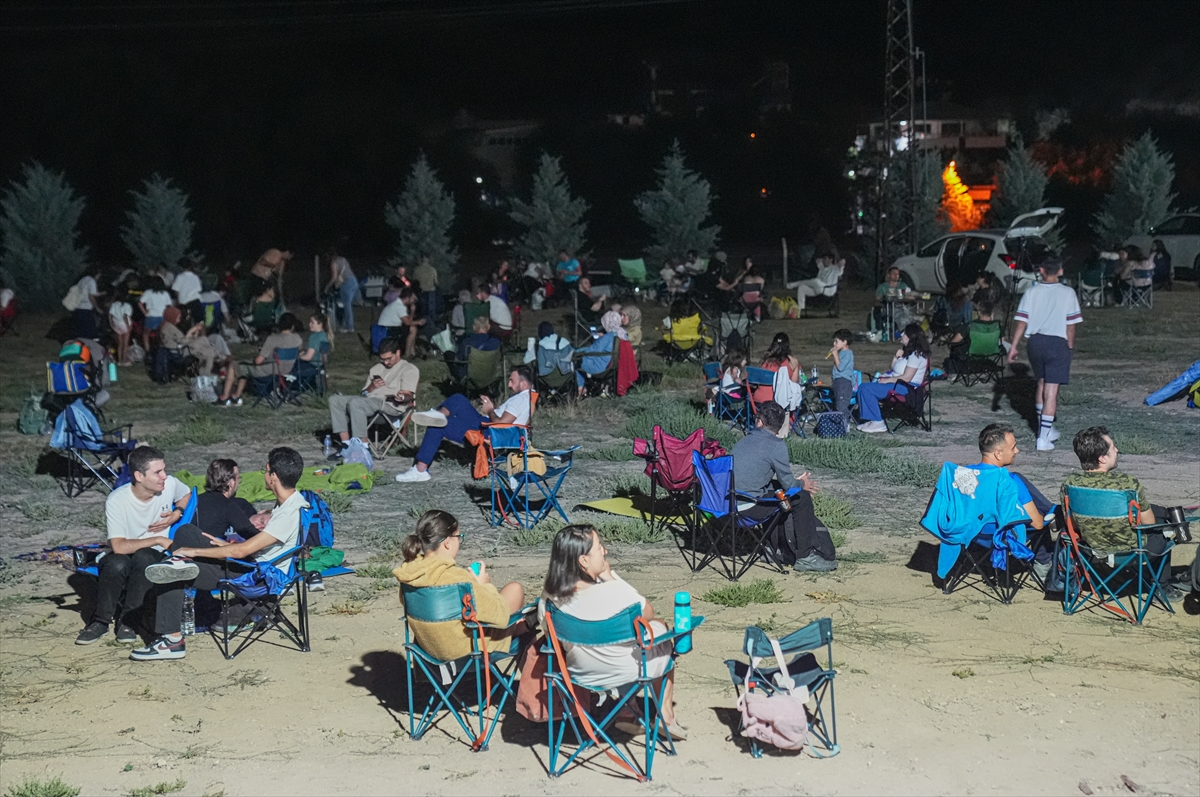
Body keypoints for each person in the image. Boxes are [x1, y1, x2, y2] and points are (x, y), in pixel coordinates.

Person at [139, 447, 310, 661]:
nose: (264, 475)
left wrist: (193, 551)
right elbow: (263, 547)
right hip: (253, 564)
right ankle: (178, 565)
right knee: (187, 532)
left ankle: (172, 641)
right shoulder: (290, 504)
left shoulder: (289, 513)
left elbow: (241, 550)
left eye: (265, 471)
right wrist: (221, 545)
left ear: (273, 476)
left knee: (172, 571)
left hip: (255, 576)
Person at [539, 524, 687, 740]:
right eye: (599, 547)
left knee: (619, 643)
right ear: (584, 561)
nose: (605, 551)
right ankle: (666, 715)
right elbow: (648, 612)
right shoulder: (615, 592)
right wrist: (611, 579)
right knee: (661, 632)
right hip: (628, 671)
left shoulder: (549, 600)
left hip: (578, 672)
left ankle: (628, 710)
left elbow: (552, 640)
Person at [74, 446, 192, 646]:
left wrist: (177, 512)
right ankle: (100, 621)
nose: (164, 476)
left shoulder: (169, 484)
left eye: (164, 470)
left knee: (145, 557)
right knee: (117, 564)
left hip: (150, 554)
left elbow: (186, 493)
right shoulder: (118, 500)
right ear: (139, 476)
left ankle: (128, 621)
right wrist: (157, 539)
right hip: (124, 551)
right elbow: (119, 547)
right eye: (158, 472)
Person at [1060, 427, 1179, 600]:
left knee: (1157, 512)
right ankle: (1162, 586)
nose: (1117, 450)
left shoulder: (1070, 484)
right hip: (1130, 551)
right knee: (1164, 529)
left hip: (1090, 548)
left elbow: (1071, 523)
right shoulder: (1127, 484)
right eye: (1113, 447)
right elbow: (1149, 522)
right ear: (1102, 458)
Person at [393, 510, 527, 661]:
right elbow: (501, 618)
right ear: (447, 542)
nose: (459, 542)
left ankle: (522, 626)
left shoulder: (409, 574)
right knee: (515, 590)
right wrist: (484, 585)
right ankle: (523, 629)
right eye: (458, 537)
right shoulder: (458, 579)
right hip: (467, 654)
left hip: (429, 651)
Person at [732, 401, 836, 572]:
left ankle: (771, 548)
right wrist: (801, 484)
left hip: (726, 505)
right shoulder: (776, 445)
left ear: (759, 422)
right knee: (801, 498)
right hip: (746, 509)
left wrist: (794, 483)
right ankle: (805, 557)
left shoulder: (743, 441)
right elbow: (789, 484)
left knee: (776, 488)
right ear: (780, 426)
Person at [396, 365, 534, 483]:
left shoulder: (521, 399)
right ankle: (439, 414)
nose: (509, 384)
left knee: (437, 425)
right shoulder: (527, 397)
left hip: (491, 431)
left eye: (512, 381)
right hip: (487, 424)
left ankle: (420, 470)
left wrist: (490, 409)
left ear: (523, 384)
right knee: (458, 399)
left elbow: (501, 424)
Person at [1006, 257, 1082, 451]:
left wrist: (1014, 346)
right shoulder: (1068, 293)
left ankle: (1045, 429)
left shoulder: (1031, 292)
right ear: (1060, 271)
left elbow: (1022, 322)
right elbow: (1071, 326)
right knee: (1052, 390)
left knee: (1041, 382)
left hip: (1035, 343)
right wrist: (1069, 347)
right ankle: (1043, 438)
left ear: (1041, 270)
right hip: (1057, 343)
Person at [328, 338, 419, 455]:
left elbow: (408, 396)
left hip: (389, 406)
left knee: (356, 403)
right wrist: (371, 386)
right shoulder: (376, 369)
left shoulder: (409, 369)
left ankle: (363, 447)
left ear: (398, 352)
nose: (386, 362)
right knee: (335, 400)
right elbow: (364, 394)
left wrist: (401, 397)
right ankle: (346, 444)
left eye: (389, 359)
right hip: (369, 403)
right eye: (383, 359)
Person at [216, 312, 304, 406]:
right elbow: (299, 353)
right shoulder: (297, 338)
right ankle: (236, 397)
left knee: (234, 365)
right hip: (286, 370)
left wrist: (257, 355)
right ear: (293, 326)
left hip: (268, 371)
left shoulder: (273, 339)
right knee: (243, 367)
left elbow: (258, 361)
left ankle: (225, 397)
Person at [856, 323, 930, 434]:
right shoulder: (908, 352)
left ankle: (878, 422)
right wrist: (896, 357)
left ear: (911, 337)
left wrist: (887, 380)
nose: (901, 334)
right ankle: (872, 419)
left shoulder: (916, 355)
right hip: (898, 384)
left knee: (866, 388)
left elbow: (907, 378)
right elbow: (894, 369)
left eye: (904, 333)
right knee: (865, 387)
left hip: (908, 388)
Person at [193, 459, 260, 541]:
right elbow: (251, 534)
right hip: (208, 546)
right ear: (231, 482)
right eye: (238, 479)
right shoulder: (228, 505)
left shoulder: (196, 499)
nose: (238, 483)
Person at [159, 307, 227, 375]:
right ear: (171, 317)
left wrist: (194, 335)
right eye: (177, 318)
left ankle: (216, 358)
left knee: (204, 344)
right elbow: (182, 341)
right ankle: (217, 359)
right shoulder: (169, 328)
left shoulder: (166, 326)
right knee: (206, 346)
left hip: (181, 349)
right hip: (183, 351)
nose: (179, 320)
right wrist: (191, 331)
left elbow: (180, 340)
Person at [757, 332, 802, 426]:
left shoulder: (766, 360)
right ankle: (787, 423)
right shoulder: (792, 362)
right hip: (778, 400)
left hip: (759, 398)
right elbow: (794, 385)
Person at [449, 314, 501, 380]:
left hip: (469, 379)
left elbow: (458, 359)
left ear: (474, 327)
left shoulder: (467, 342)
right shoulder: (496, 342)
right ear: (488, 327)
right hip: (489, 377)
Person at [324, 248, 359, 333]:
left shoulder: (334, 263)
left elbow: (334, 277)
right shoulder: (343, 259)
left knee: (346, 306)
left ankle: (349, 327)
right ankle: (345, 324)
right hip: (354, 281)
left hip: (346, 283)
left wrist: (327, 287)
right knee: (348, 305)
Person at [139, 276, 175, 350]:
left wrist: (145, 312)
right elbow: (169, 306)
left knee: (145, 334)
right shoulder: (165, 293)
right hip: (162, 317)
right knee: (162, 335)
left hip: (151, 316)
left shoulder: (148, 292)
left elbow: (140, 303)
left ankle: (148, 350)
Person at [872, 266, 912, 333]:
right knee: (878, 312)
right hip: (888, 309)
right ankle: (881, 332)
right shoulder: (883, 287)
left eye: (897, 274)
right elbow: (876, 301)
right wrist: (883, 305)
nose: (896, 275)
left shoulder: (903, 285)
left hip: (901, 308)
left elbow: (909, 296)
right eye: (894, 273)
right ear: (888, 275)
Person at [829, 328, 855, 420]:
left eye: (836, 341)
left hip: (844, 383)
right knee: (838, 403)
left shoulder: (848, 353)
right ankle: (840, 422)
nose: (834, 344)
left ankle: (845, 422)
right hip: (838, 382)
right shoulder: (841, 353)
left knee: (841, 405)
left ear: (844, 342)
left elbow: (840, 367)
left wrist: (835, 355)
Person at [413, 256, 441, 323]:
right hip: (431, 290)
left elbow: (414, 280)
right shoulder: (432, 270)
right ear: (428, 260)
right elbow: (436, 282)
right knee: (431, 308)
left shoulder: (417, 269)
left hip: (422, 291)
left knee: (423, 308)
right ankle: (432, 321)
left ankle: (424, 321)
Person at [109, 292, 134, 366]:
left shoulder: (114, 304)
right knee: (125, 344)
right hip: (124, 325)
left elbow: (110, 314)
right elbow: (125, 316)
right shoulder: (127, 305)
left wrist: (111, 323)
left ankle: (119, 361)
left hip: (116, 324)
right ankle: (124, 360)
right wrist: (128, 326)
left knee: (120, 343)